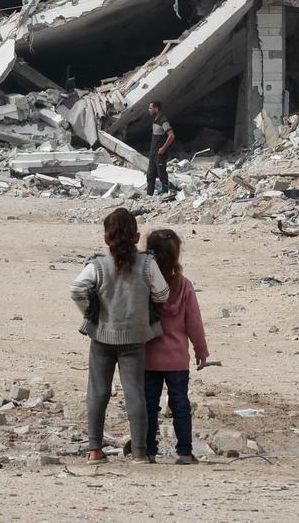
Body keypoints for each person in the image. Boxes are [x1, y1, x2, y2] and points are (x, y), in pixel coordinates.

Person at [70, 208, 170, 463]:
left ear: (106, 239)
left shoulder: (98, 265)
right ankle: (139, 452)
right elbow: (162, 294)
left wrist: (90, 310)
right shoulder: (148, 264)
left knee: (98, 392)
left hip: (102, 336)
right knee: (134, 393)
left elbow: (77, 289)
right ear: (136, 237)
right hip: (135, 338)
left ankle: (94, 449)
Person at [143, 228, 209, 464]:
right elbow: (194, 322)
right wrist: (201, 351)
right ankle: (184, 451)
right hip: (177, 358)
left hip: (149, 356)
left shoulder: (145, 284)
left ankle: (149, 451)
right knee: (180, 403)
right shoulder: (184, 285)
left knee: (149, 405)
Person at [146, 101, 175, 196]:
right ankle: (149, 196)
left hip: (160, 153)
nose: (149, 110)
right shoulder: (155, 119)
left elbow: (171, 136)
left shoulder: (163, 120)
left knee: (161, 174)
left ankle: (166, 194)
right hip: (153, 153)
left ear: (156, 109)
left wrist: (163, 148)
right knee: (150, 175)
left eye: (150, 108)